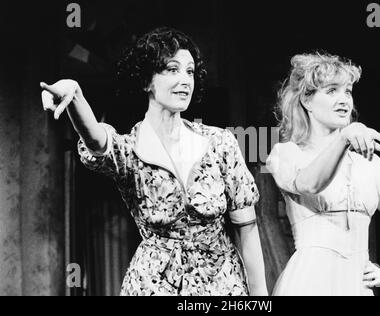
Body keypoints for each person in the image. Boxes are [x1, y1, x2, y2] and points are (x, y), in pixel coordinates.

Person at [40, 27, 267, 296]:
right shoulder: (130, 151)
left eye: (190, 71)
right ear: (147, 80)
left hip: (221, 285)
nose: (185, 79)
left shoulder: (220, 143)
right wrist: (75, 95)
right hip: (155, 285)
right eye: (172, 69)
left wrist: (260, 298)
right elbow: (98, 141)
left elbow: (247, 229)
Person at [266, 52, 380, 296]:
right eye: (331, 91)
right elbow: (310, 184)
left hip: (356, 286)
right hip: (309, 283)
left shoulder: (369, 163)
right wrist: (345, 138)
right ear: (307, 100)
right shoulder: (287, 153)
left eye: (347, 91)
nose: (344, 99)